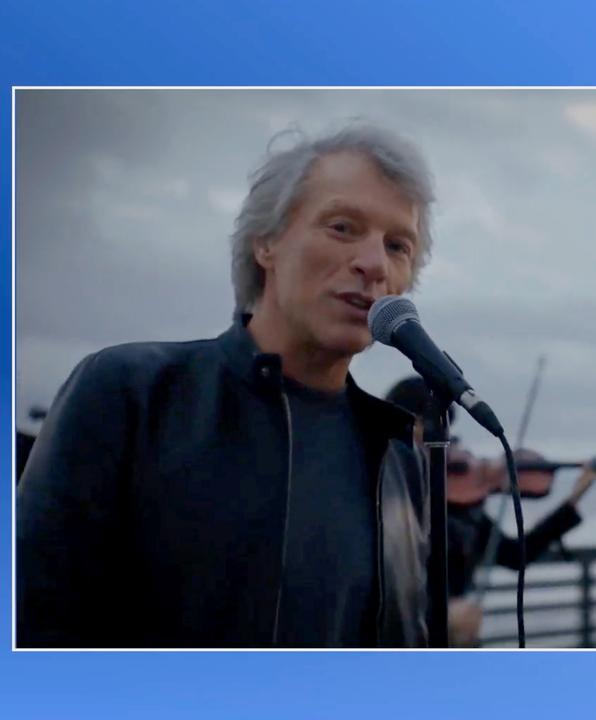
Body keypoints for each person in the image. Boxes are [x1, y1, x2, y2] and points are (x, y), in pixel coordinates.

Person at [17, 124, 437, 647]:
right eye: (342, 227)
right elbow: (38, 623)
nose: (373, 263)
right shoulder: (130, 393)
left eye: (397, 245)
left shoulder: (397, 452)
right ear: (266, 242)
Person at [385, 376, 596, 646]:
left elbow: (514, 555)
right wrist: (438, 614)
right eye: (423, 423)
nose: (438, 439)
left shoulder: (459, 506)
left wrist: (575, 498)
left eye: (441, 427)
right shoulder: (380, 493)